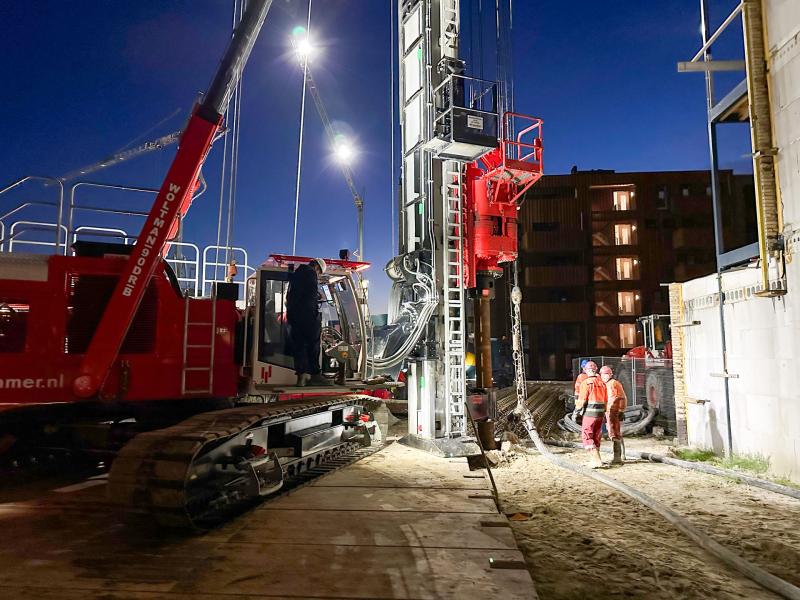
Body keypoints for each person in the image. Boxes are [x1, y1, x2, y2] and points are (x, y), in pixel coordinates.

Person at [286, 258, 331, 387]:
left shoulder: (296, 274)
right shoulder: (310, 273)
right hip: (307, 317)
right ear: (317, 268)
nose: (318, 275)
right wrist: (318, 302)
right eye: (319, 273)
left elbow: (296, 295)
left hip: (294, 317)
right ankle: (315, 375)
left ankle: (301, 377)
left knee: (299, 347)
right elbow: (310, 298)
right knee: (313, 345)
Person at [575, 360, 608, 468]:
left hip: (590, 413)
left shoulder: (587, 382)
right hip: (600, 413)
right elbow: (606, 399)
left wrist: (577, 410)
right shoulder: (602, 383)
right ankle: (595, 459)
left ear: (586, 370)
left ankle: (597, 460)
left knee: (587, 435)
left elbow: (582, 399)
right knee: (596, 435)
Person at [600, 365, 627, 465]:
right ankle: (620, 455)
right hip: (607, 412)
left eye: (606, 374)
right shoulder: (603, 385)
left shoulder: (615, 384)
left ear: (610, 375)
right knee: (613, 433)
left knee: (615, 433)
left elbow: (622, 397)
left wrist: (621, 410)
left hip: (614, 412)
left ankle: (618, 457)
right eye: (603, 374)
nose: (605, 376)